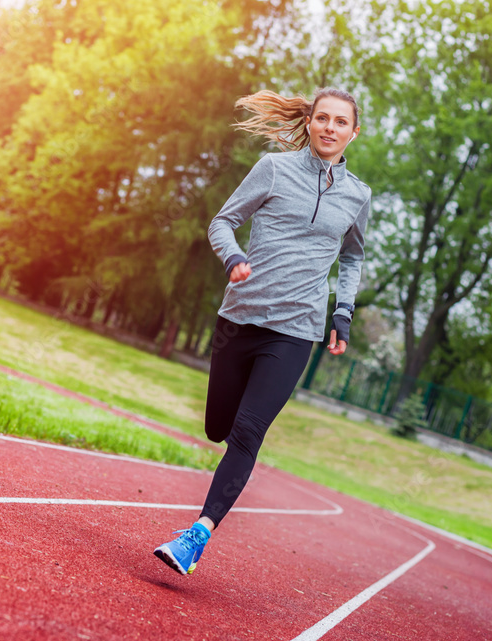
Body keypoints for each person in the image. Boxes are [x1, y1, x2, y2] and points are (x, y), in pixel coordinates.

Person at [153, 87, 371, 575]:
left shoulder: (358, 195)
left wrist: (343, 312)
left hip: (296, 330)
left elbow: (354, 255)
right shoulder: (274, 169)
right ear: (310, 123)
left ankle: (196, 537)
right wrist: (234, 257)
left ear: (354, 133)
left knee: (248, 433)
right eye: (323, 119)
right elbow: (223, 222)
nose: (330, 128)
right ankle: (224, 443)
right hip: (240, 318)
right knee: (219, 427)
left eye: (341, 122)